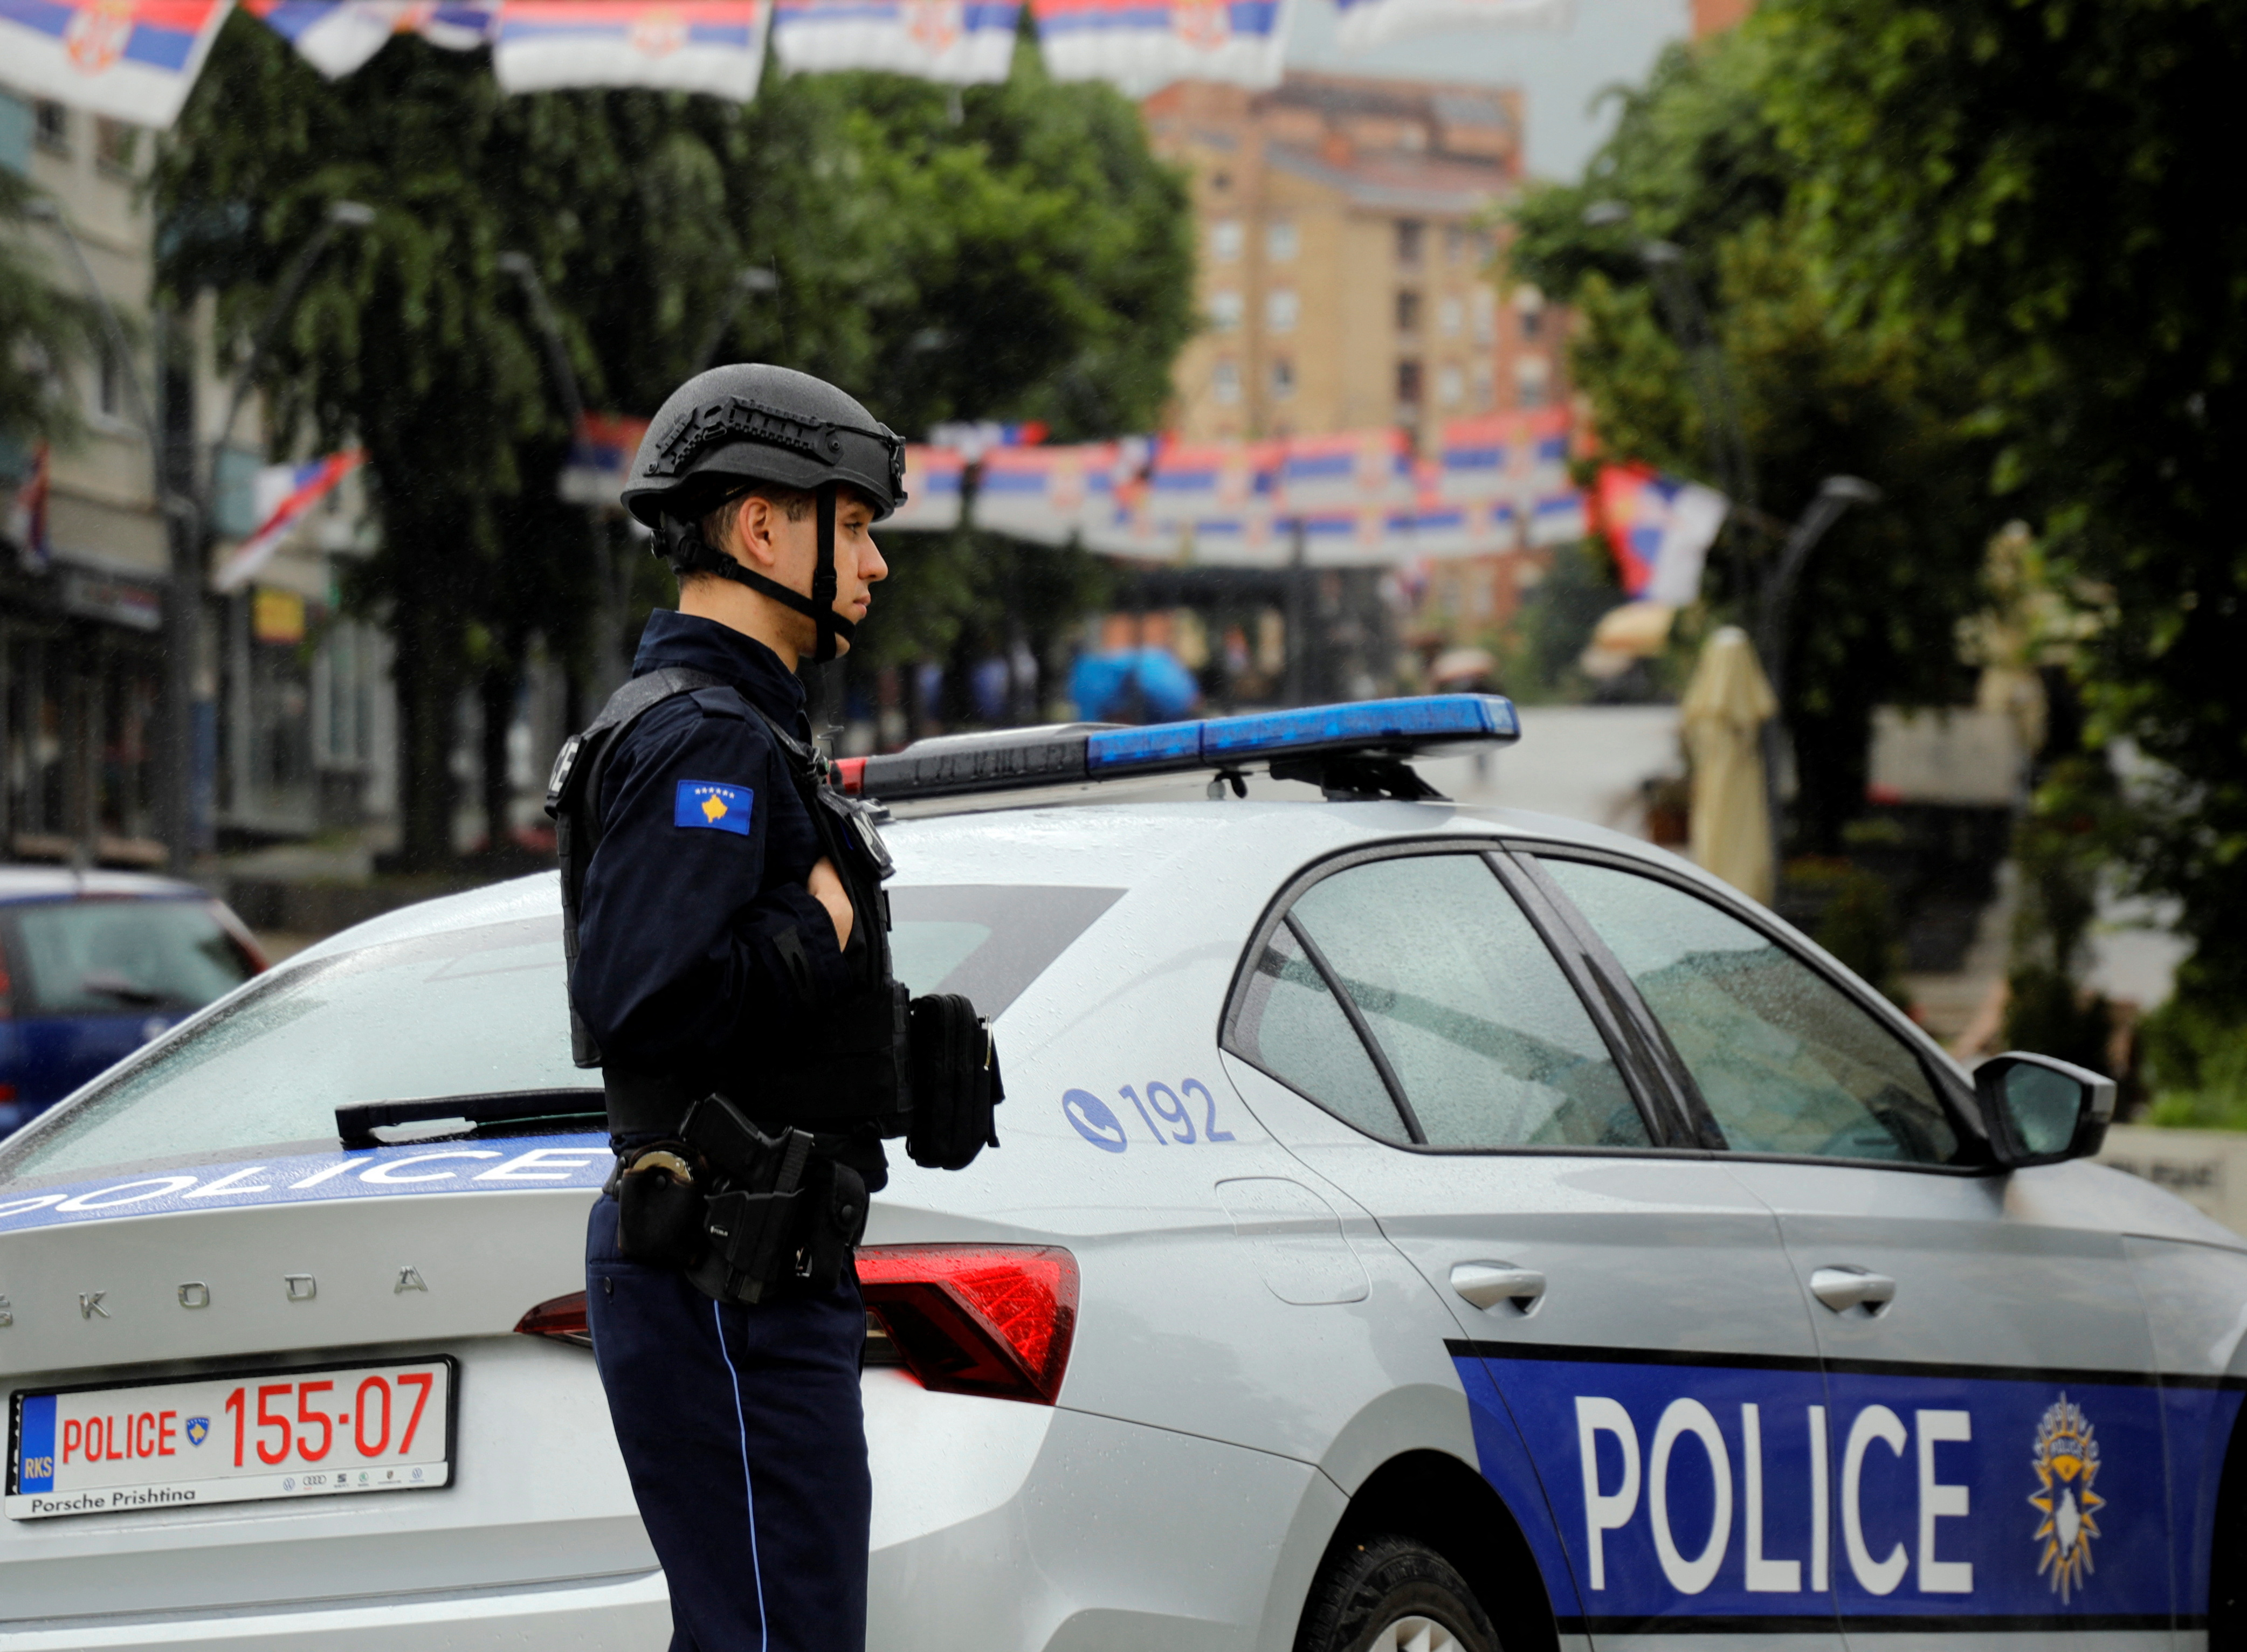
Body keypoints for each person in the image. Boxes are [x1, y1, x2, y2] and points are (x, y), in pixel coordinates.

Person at [550, 363, 907, 1652]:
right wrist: (818, 928)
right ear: (762, 528)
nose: (872, 564)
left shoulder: (743, 728)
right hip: (723, 1268)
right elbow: (644, 999)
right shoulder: (706, 737)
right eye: (851, 527)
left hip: (753, 1267)